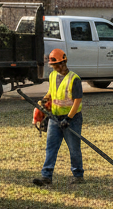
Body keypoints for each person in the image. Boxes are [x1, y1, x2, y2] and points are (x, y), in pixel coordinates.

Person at [32, 48, 85, 187]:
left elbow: (77, 101)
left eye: (56, 65)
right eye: (53, 66)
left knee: (74, 148)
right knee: (51, 147)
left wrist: (68, 119)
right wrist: (44, 100)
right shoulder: (53, 76)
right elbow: (52, 91)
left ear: (63, 62)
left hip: (72, 119)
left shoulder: (75, 79)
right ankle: (46, 176)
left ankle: (78, 175)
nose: (54, 68)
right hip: (54, 118)